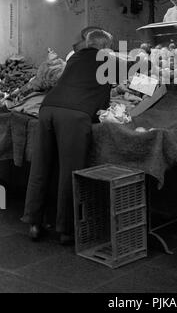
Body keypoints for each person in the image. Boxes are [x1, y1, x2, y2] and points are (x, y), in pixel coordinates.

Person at [21, 29, 115, 245]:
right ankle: (66, 230)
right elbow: (104, 100)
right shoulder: (109, 61)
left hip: (48, 108)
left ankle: (34, 224)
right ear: (104, 47)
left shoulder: (75, 58)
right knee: (70, 171)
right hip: (75, 115)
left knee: (41, 166)